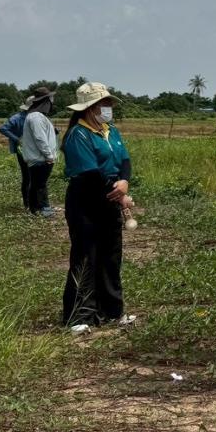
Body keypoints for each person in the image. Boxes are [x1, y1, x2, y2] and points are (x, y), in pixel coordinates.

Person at [61, 83, 135, 330]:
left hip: (110, 196)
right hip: (86, 200)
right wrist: (120, 195)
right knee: (86, 257)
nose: (108, 108)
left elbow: (124, 159)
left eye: (109, 104)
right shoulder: (77, 135)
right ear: (90, 108)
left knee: (111, 256)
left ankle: (112, 311)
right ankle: (79, 316)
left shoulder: (109, 130)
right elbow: (89, 174)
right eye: (104, 104)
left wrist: (124, 181)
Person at [19, 89, 58, 217]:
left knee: (36, 184)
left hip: (39, 157)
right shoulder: (36, 117)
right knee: (40, 185)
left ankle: (34, 209)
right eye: (50, 100)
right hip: (40, 158)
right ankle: (44, 210)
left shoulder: (37, 116)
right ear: (45, 101)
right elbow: (40, 138)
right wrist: (49, 155)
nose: (52, 103)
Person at [0, 103, 30, 209]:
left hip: (34, 150)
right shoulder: (17, 118)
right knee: (27, 176)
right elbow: (3, 128)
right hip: (23, 150)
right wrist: (17, 139)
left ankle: (34, 201)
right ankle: (27, 203)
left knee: (35, 176)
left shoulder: (35, 117)